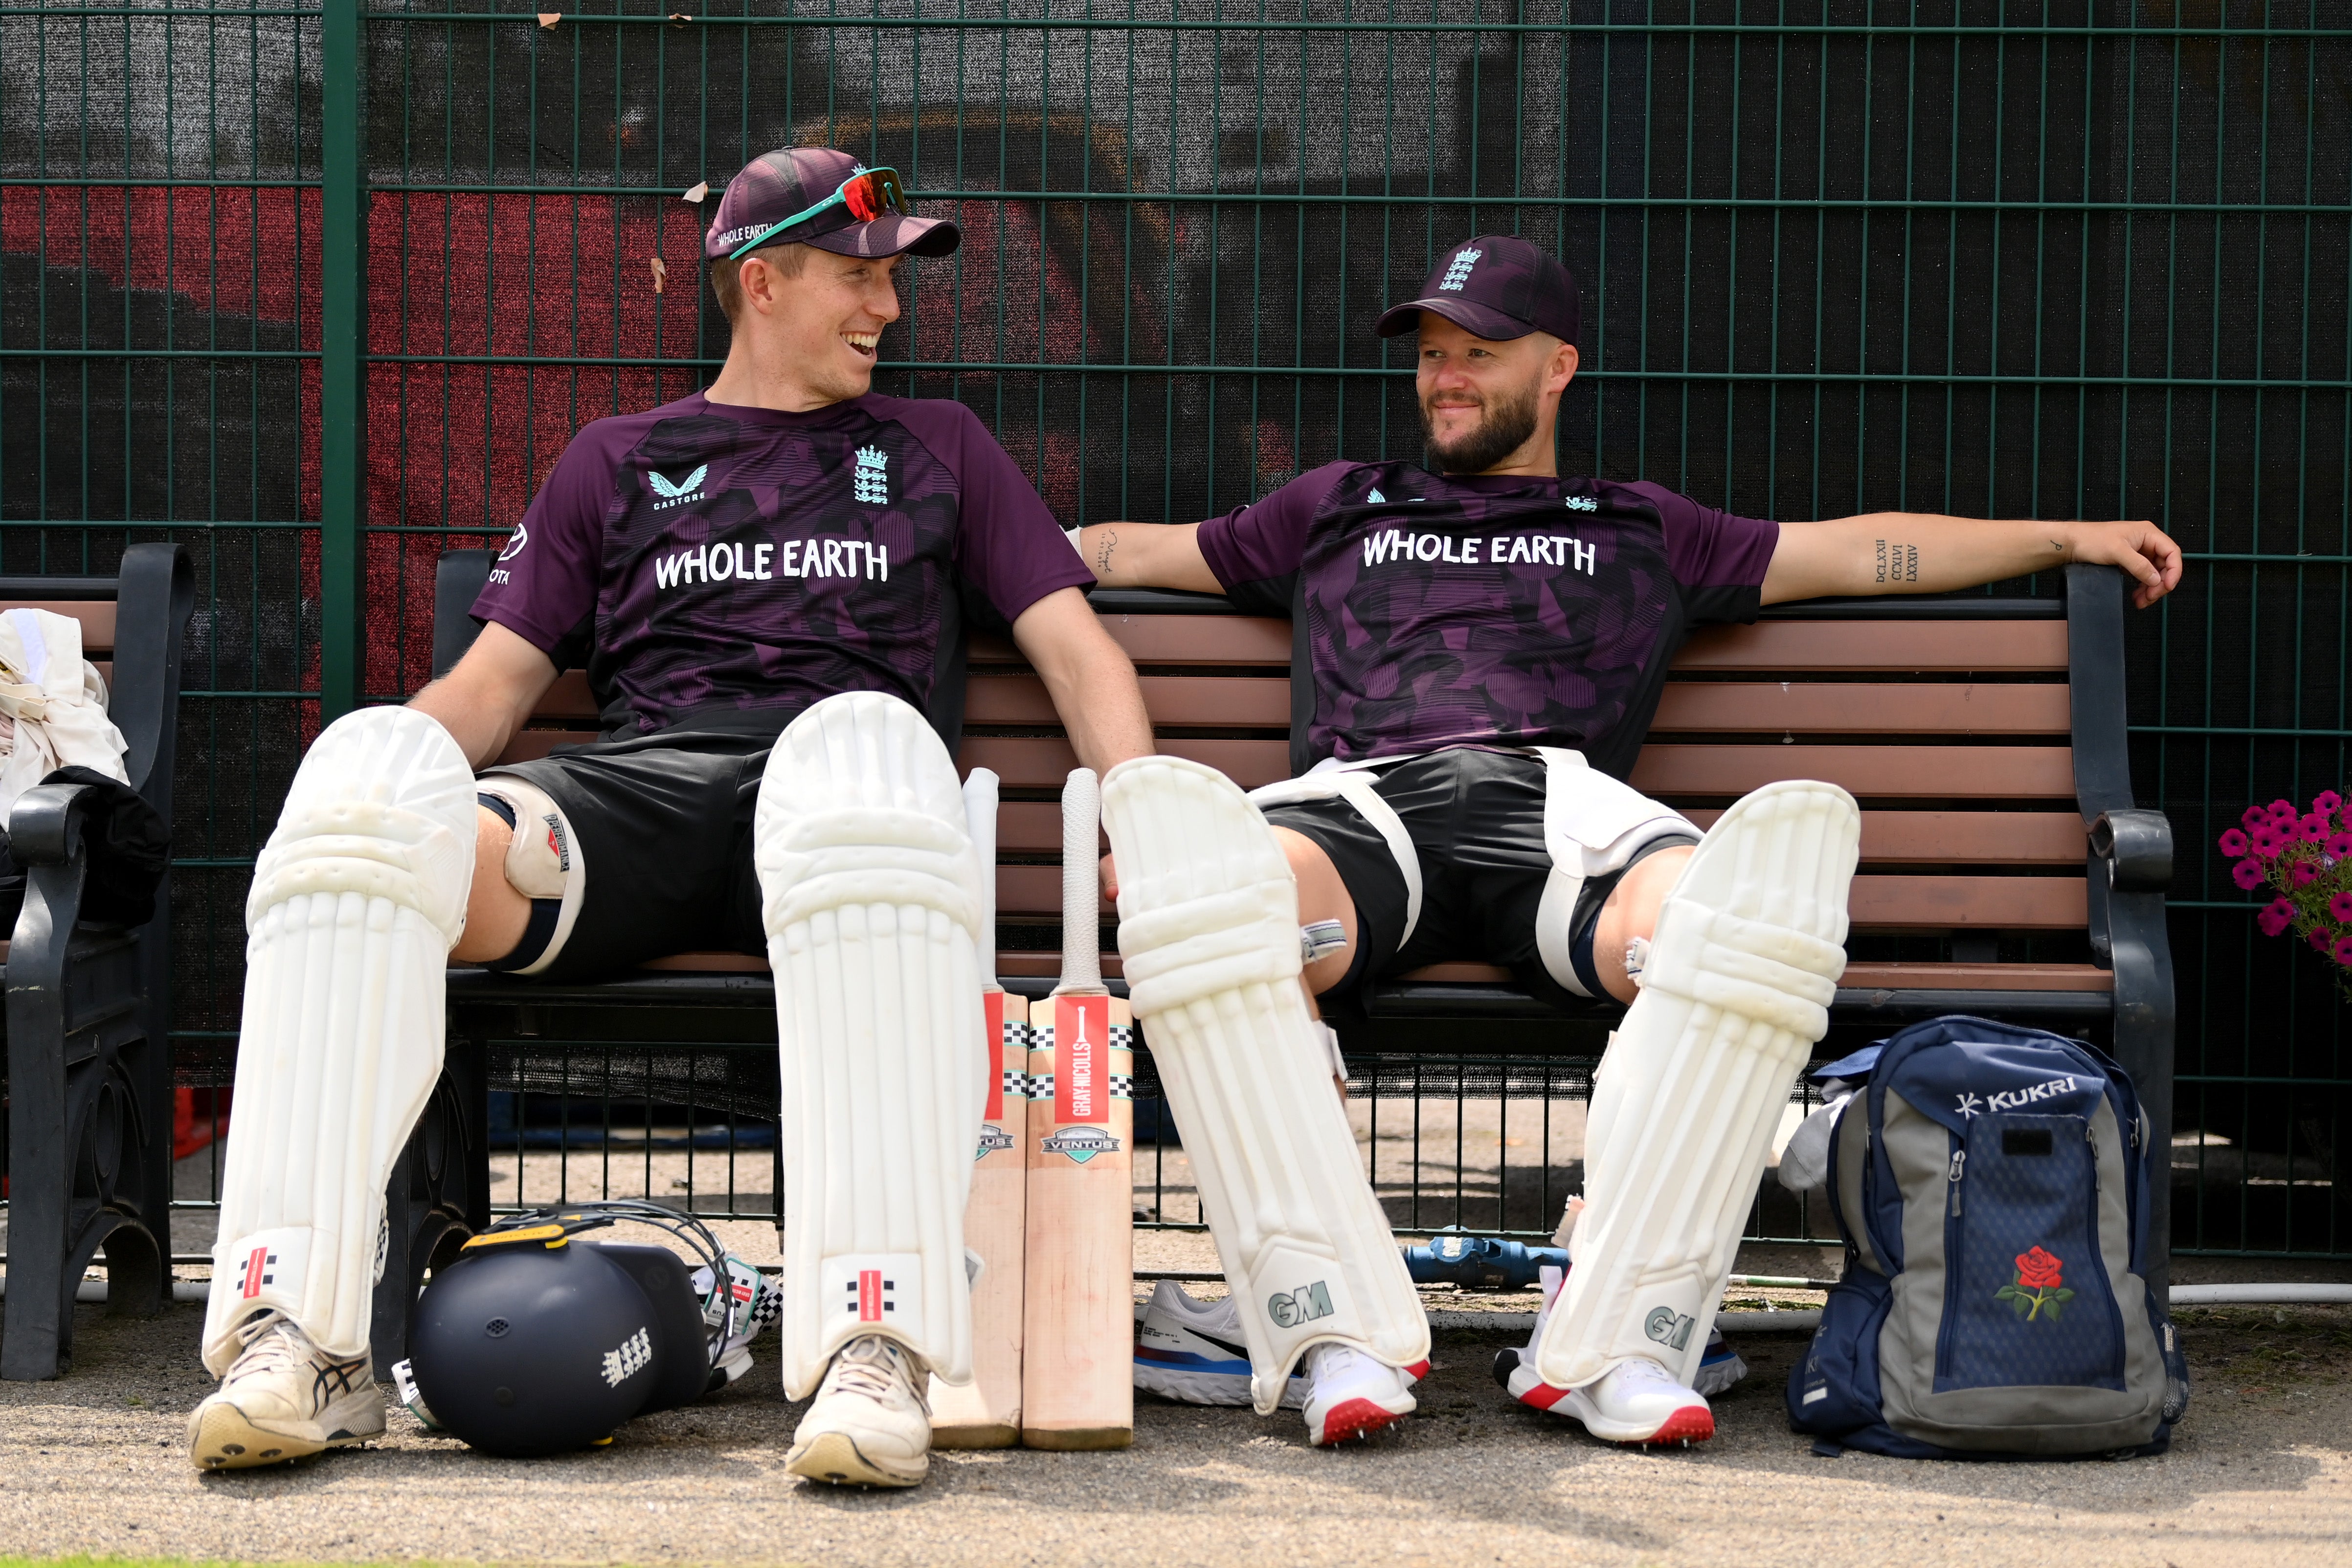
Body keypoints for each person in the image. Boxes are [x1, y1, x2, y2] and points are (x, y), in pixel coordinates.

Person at [1080, 234, 2183, 1445]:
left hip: (1565, 812)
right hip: (1364, 804)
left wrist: (2062, 538)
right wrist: (993, 555)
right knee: (1209, 903)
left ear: (1557, 367)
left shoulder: (1639, 525)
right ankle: (1327, 1323)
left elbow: (1855, 549)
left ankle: (1613, 1334)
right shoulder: (1339, 504)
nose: (1445, 377)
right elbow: (1131, 553)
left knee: (1738, 932)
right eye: (1433, 355)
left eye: (1478, 354)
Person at [188, 146, 1157, 1490]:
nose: (889, 306)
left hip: (841, 816)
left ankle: (872, 1341)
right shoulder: (620, 460)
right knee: (362, 783)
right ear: (763, 282)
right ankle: (293, 1333)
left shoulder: (938, 448)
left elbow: (1077, 653)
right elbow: (489, 687)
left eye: (892, 279)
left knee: (869, 751)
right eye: (860, 276)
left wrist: (1146, 821)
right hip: (639, 806)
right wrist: (379, 787)